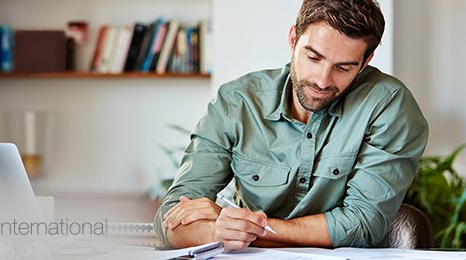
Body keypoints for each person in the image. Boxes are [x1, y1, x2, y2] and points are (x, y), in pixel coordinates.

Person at [154, 0, 428, 251]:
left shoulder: (389, 106)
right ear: (293, 39)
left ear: (366, 61)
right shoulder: (236, 103)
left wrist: (245, 229)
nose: (322, 81)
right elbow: (171, 219)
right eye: (313, 57)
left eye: (343, 68)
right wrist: (217, 230)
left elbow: (361, 225)